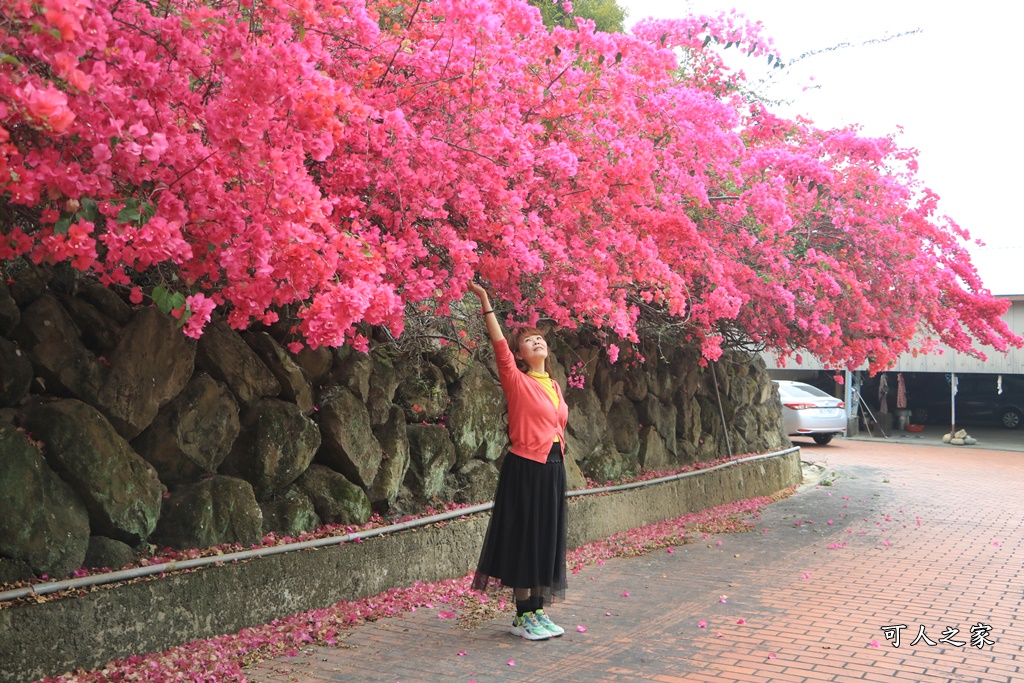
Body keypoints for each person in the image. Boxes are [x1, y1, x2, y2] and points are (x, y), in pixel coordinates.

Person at [467, 280, 569, 641]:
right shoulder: (516, 378)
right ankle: (523, 615)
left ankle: (538, 610)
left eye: (539, 337)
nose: (536, 341)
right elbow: (498, 345)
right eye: (528, 340)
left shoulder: (554, 386)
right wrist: (485, 300)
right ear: (520, 354)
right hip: (526, 467)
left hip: (554, 468)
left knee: (546, 536)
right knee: (526, 536)